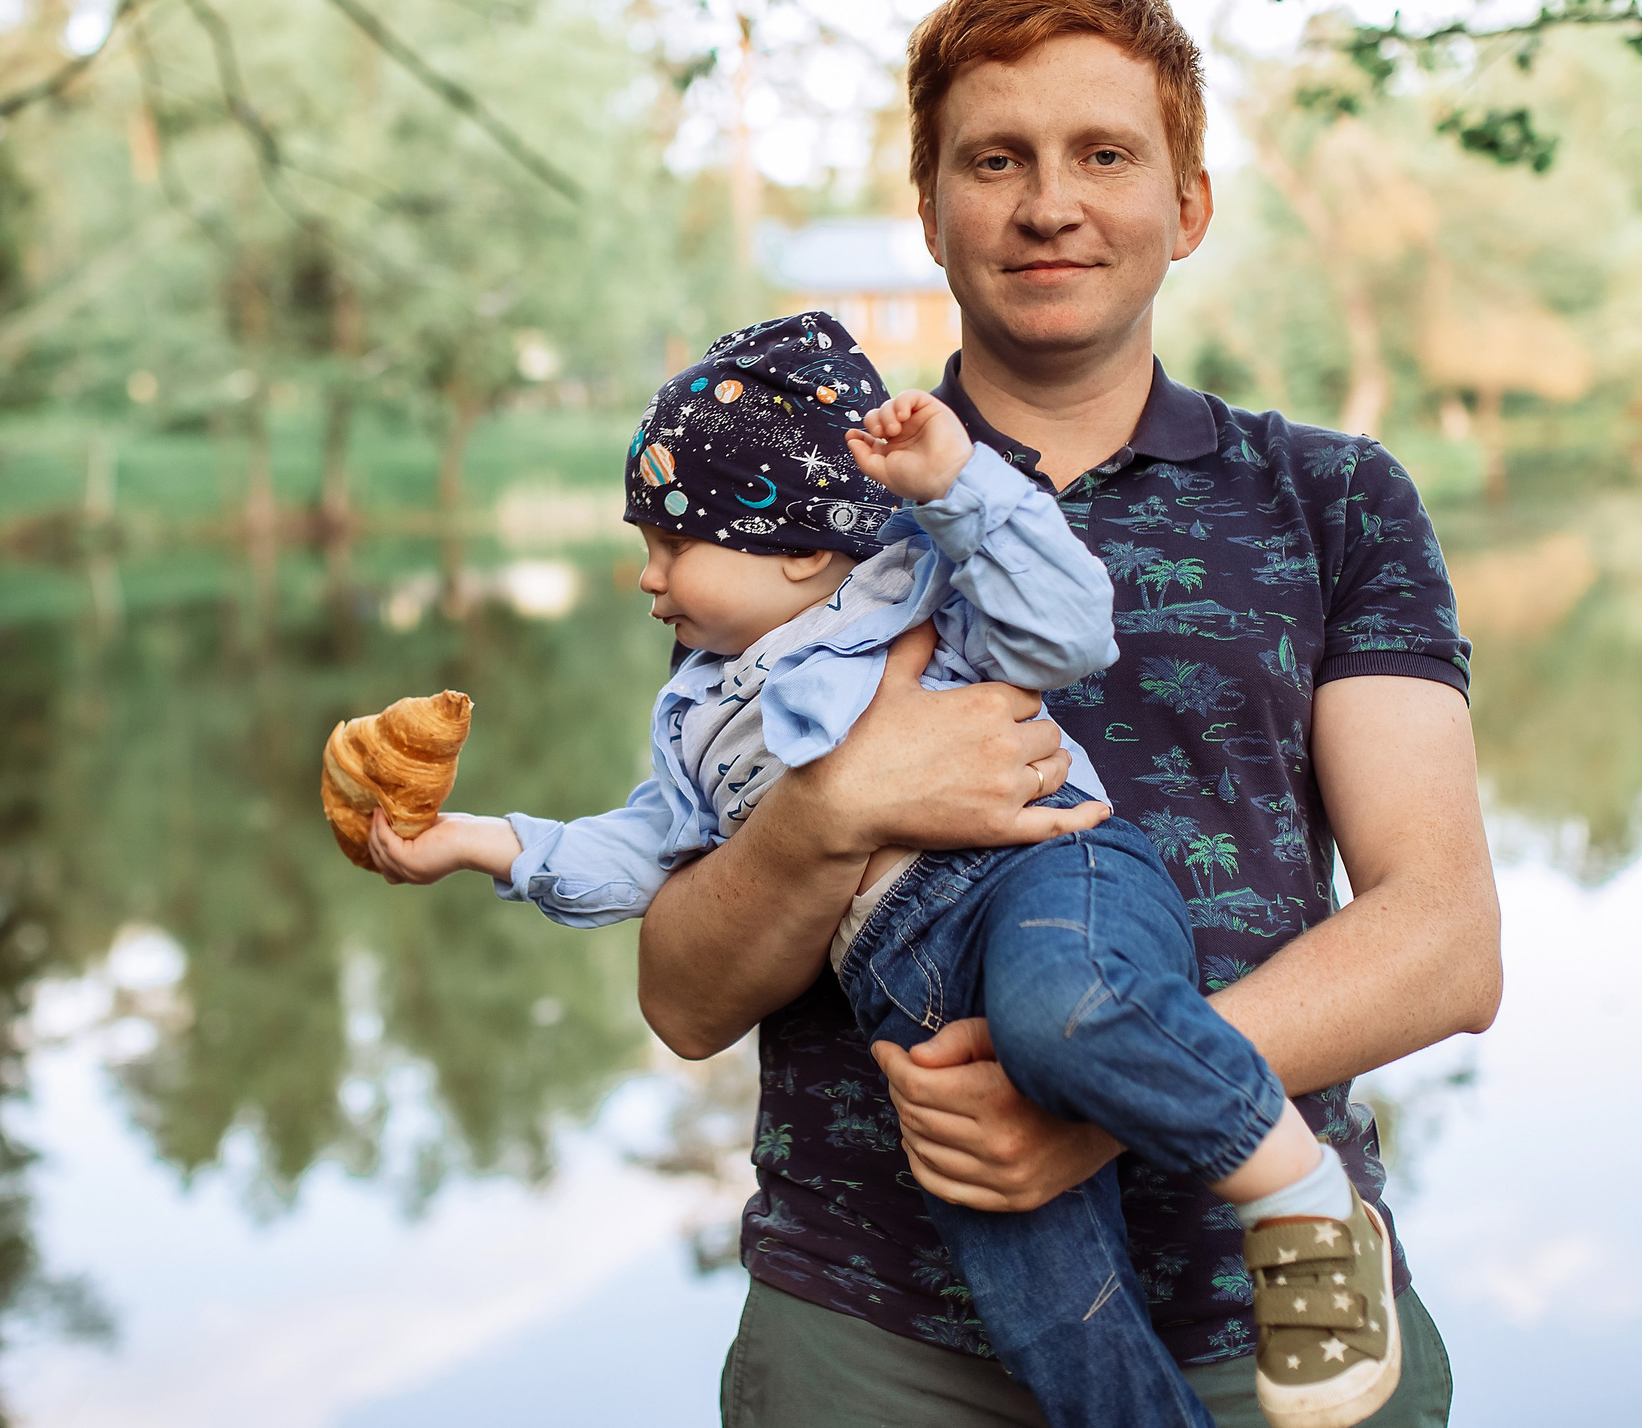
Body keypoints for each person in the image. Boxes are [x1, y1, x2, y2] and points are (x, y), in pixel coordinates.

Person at [634, 0, 1499, 1428]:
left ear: (1189, 206)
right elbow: (686, 993)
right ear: (930, 210)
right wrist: (839, 805)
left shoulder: (1332, 496)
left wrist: (1101, 1095)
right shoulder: (809, 516)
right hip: (873, 1337)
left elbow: (1443, 942)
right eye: (996, 159)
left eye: (1104, 153)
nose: (1050, 203)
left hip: (1268, 1324)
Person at [371, 309, 1400, 1428]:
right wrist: (482, 841)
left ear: (800, 544)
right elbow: (644, 854)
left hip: (1043, 879)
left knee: (1072, 1009)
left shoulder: (922, 595)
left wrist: (957, 480)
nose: (645, 576)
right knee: (1047, 1306)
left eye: (670, 544)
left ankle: (1299, 1197)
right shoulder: (697, 712)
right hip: (906, 989)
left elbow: (1068, 629)